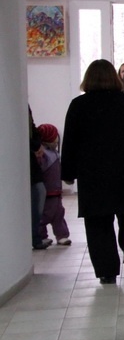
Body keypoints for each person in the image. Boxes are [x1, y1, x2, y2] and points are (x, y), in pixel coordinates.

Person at [61, 60, 124, 283]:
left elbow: (70, 142)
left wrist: (68, 173)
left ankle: (107, 272)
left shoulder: (79, 105)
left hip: (93, 175)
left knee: (98, 223)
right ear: (114, 77)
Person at [36, 123, 71, 247]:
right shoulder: (43, 155)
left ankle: (62, 235)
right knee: (44, 215)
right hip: (47, 192)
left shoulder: (54, 153)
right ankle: (41, 236)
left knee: (59, 214)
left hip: (56, 191)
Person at [29, 107, 48, 251]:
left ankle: (36, 236)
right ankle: (35, 237)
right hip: (30, 166)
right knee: (37, 197)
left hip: (31, 166)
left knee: (38, 195)